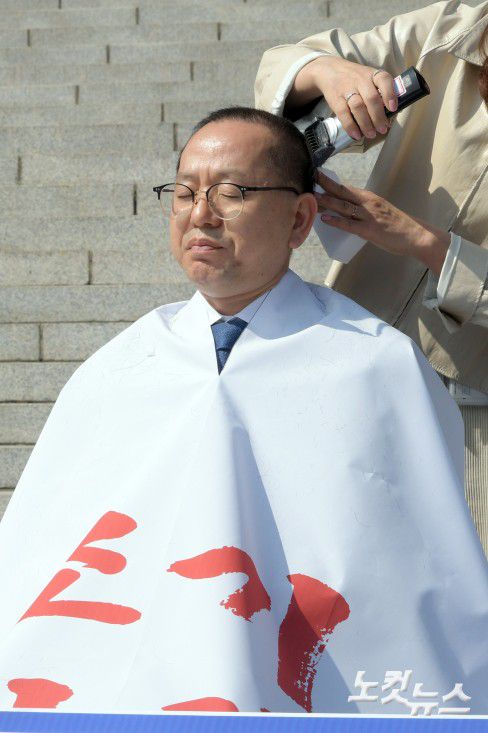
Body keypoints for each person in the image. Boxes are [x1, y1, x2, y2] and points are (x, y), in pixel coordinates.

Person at [0, 108, 486, 715]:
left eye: (231, 193)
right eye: (184, 193)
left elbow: (417, 565)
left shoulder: (376, 364)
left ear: (300, 218)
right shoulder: (121, 365)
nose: (201, 214)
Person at [255, 0, 488, 555]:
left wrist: (422, 241)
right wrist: (327, 73)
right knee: (328, 554)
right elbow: (281, 67)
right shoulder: (450, 28)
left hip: (474, 401)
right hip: (359, 348)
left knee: (460, 578)